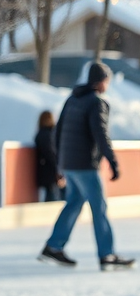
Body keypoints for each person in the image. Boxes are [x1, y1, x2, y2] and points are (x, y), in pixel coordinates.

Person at [38, 61, 133, 271]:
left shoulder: (72, 99)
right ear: (101, 82)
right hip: (85, 165)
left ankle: (53, 246)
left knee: (73, 203)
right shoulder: (96, 102)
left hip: (69, 165)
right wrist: (113, 162)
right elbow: (101, 134)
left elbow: (57, 133)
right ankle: (107, 254)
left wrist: (60, 163)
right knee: (99, 208)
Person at [34, 111, 63, 202]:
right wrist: (58, 169)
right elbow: (50, 153)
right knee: (53, 197)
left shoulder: (42, 134)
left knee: (52, 195)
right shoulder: (48, 134)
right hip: (50, 171)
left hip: (46, 171)